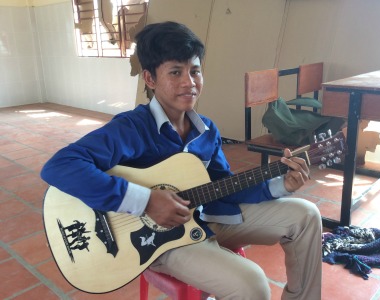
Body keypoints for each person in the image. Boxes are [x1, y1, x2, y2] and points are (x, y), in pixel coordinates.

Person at [41, 21, 322, 300]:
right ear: (150, 79)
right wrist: (145, 200)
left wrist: (280, 184)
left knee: (306, 215)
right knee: (252, 284)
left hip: (207, 219)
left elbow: (222, 186)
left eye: (195, 71)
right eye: (176, 72)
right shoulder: (132, 128)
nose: (189, 83)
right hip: (157, 240)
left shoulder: (207, 130)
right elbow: (60, 165)